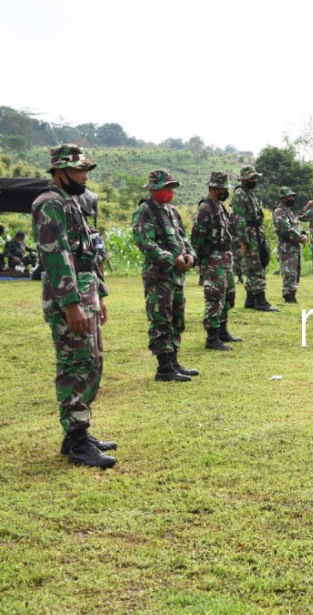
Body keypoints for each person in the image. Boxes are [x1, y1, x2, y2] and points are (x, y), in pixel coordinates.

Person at [31, 143, 116, 468]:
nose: (83, 175)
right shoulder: (49, 203)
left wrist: (100, 295)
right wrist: (70, 304)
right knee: (75, 365)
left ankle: (77, 433)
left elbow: (87, 253)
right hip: (69, 299)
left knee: (93, 361)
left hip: (87, 294)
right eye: (79, 169)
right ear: (60, 171)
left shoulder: (74, 203)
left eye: (85, 170)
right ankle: (78, 440)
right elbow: (56, 255)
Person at [132, 169, 197, 382]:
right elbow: (145, 242)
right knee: (161, 319)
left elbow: (183, 238)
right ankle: (163, 368)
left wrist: (190, 256)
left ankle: (173, 360)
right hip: (158, 276)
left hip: (176, 277)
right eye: (166, 187)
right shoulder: (145, 211)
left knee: (177, 319)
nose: (170, 191)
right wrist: (172, 259)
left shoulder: (172, 211)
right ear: (153, 188)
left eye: (171, 187)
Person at [190, 171, 241, 351]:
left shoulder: (220, 207)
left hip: (225, 257)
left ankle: (222, 331)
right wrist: (198, 260)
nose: (225, 191)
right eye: (222, 188)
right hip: (212, 259)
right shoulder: (206, 208)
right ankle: (212, 338)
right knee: (215, 296)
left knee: (228, 295)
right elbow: (196, 236)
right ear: (213, 188)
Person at [231, 165, 277, 312]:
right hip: (249, 235)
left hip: (256, 233)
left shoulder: (250, 194)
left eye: (255, 177)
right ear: (244, 179)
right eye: (251, 178)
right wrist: (244, 241)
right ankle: (261, 301)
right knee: (256, 268)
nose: (254, 180)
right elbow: (239, 219)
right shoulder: (240, 194)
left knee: (254, 267)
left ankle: (250, 300)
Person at [272, 186, 307, 303]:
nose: (292, 198)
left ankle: (292, 294)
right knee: (289, 273)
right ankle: (289, 296)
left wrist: (303, 234)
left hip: (294, 247)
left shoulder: (288, 212)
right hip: (287, 247)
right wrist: (300, 238)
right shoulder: (279, 211)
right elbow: (286, 229)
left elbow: (295, 227)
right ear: (283, 198)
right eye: (290, 196)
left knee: (295, 273)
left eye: (293, 196)